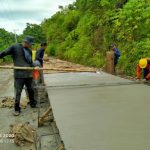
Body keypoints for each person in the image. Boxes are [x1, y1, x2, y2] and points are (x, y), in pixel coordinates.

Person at [0, 36, 37, 116]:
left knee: (31, 90)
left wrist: (34, 66)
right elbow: (4, 53)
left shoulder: (29, 51)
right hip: (19, 75)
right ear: (25, 41)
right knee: (18, 92)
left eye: (30, 44)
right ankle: (17, 109)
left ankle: (32, 103)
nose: (29, 45)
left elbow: (30, 62)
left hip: (28, 74)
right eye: (28, 43)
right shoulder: (15, 47)